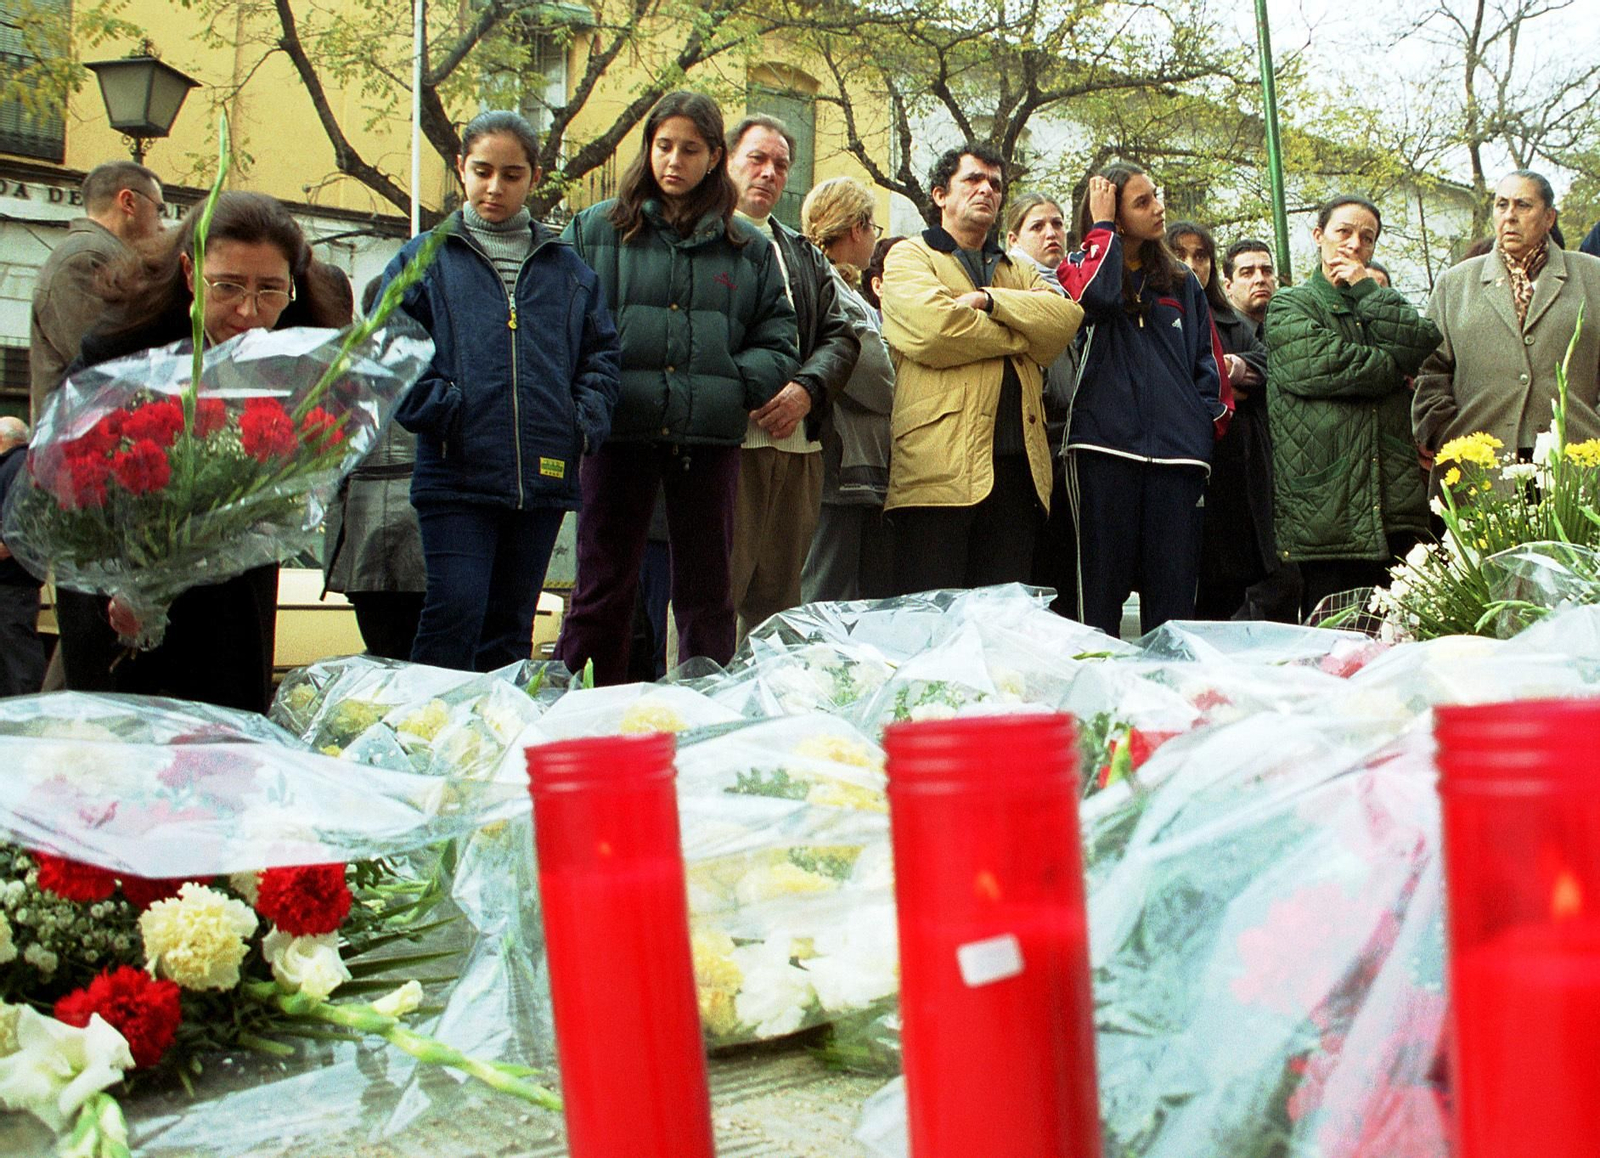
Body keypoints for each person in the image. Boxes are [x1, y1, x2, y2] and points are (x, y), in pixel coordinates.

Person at [52, 191, 350, 712]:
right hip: (121, 594)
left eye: (270, 290)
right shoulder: (124, 348)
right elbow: (69, 470)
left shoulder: (301, 357)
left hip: (231, 597)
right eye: (228, 286)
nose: (248, 310)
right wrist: (122, 584)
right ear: (190, 272)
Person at [554, 91, 799, 685]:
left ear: (714, 157)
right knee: (601, 586)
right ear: (648, 148)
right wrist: (592, 397)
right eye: (664, 146)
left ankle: (703, 709)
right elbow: (557, 323)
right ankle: (583, 708)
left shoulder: (748, 246)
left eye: (690, 149)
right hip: (618, 434)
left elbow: (779, 338)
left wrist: (729, 386)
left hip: (707, 441)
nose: (674, 160)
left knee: (708, 592)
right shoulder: (595, 229)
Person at [388, 110, 619, 673]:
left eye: (512, 175)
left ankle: (496, 726)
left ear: (534, 178)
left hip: (541, 477)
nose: (495, 187)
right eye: (482, 171)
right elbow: (388, 352)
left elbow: (601, 356)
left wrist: (578, 423)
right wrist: (447, 411)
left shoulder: (568, 270)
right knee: (455, 609)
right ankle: (427, 721)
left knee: (512, 627)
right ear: (461, 168)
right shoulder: (422, 260)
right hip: (455, 472)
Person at [880, 144, 1081, 595]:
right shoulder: (910, 256)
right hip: (936, 471)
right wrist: (1020, 335)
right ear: (939, 195)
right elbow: (935, 331)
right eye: (972, 180)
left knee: (1001, 620)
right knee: (934, 617)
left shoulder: (1015, 268)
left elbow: (1063, 322)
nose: (986, 189)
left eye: (994, 183)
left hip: (1019, 474)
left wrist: (990, 301)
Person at [1057, 166, 1226, 637]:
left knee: (1174, 611)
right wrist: (1103, 228)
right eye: (1142, 202)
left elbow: (1209, 362)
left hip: (1178, 458)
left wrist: (1201, 424)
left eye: (1157, 196)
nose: (1159, 208)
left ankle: (1169, 684)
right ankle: (1098, 684)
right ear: (1112, 213)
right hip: (1102, 449)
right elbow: (1097, 299)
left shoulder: (1182, 281)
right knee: (1097, 602)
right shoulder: (1077, 267)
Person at [1265, 193, 1442, 620]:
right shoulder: (1290, 304)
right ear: (1318, 236)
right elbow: (1319, 367)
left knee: (1397, 631)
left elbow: (1421, 343)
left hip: (1392, 501)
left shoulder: (1376, 300)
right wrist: (1394, 368)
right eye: (1343, 232)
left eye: (1367, 238)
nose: (1354, 245)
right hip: (1328, 507)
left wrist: (1366, 289)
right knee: (1334, 633)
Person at [725, 115, 858, 637]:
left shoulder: (802, 252)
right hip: (730, 447)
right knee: (712, 600)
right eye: (757, 159)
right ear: (726, 161)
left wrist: (808, 389)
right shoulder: (702, 239)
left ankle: (769, 693)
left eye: (781, 165)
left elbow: (841, 335)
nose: (769, 173)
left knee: (779, 611)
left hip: (801, 450)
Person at [1413, 170, 1600, 490]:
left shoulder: (1592, 277)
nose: (1510, 216)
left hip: (1575, 468)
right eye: (1502, 205)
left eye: (1523, 205)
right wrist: (1443, 431)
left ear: (1549, 217)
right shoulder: (1455, 284)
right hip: (1479, 473)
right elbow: (1429, 368)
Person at [1167, 221, 1299, 622]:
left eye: (1200, 255)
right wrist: (1220, 387)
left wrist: (1232, 369)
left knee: (1236, 587)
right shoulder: (1150, 315)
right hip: (1180, 469)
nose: (1191, 264)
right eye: (1179, 254)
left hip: (1236, 476)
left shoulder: (1228, 322)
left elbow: (1268, 364)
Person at [797, 175, 896, 602]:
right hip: (840, 468)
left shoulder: (838, 285)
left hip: (850, 468)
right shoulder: (831, 289)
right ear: (857, 228)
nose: (874, 237)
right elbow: (879, 380)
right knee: (825, 598)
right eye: (872, 227)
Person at [321, 277, 427, 661]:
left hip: (362, 538)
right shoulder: (435, 364)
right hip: (422, 536)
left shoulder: (344, 372)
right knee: (425, 661)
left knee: (383, 656)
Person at [29, 161, 166, 423]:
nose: (162, 225)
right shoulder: (83, 259)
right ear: (128, 202)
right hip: (81, 435)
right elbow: (104, 367)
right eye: (159, 210)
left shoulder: (101, 255)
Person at [1005, 191, 1080, 616]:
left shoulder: (1069, 289)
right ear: (1013, 239)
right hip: (1033, 448)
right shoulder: (1011, 285)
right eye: (1038, 226)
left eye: (1057, 224)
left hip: (1067, 450)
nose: (1052, 233)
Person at [0, 416, 46, 696]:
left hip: (11, 587)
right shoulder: (22, 466)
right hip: (16, 586)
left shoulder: (17, 466)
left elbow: (17, 533)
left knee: (17, 666)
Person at [1222, 239, 1278, 327]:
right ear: (1228, 286)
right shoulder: (1215, 331)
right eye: (1247, 273)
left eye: (1267, 271)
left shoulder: (1287, 325)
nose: (1260, 279)